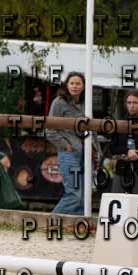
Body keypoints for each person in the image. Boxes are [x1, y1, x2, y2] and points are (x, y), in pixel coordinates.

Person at [45, 72, 88, 216]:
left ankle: (76, 225)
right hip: (69, 154)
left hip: (85, 154)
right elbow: (49, 130)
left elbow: (91, 128)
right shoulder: (59, 102)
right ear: (67, 85)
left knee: (83, 198)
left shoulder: (86, 103)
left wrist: (95, 150)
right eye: (72, 83)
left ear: (83, 86)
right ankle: (49, 222)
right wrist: (66, 145)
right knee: (74, 195)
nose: (75, 86)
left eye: (78, 83)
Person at [107, 90, 138, 196]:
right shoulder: (120, 123)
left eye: (135, 103)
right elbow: (112, 147)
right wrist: (127, 151)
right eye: (129, 103)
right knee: (117, 199)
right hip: (121, 169)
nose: (131, 106)